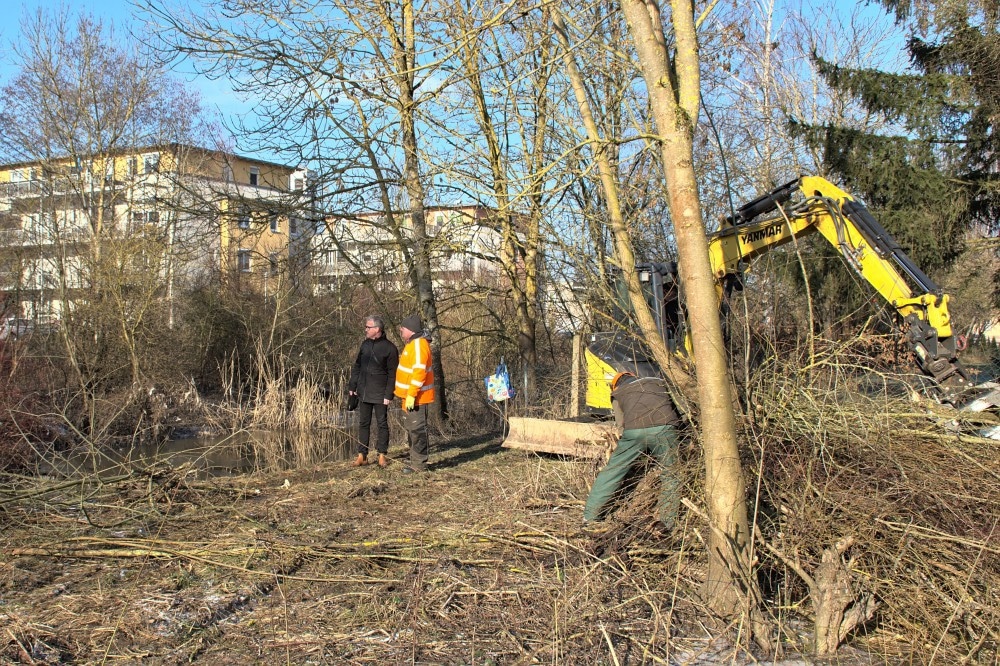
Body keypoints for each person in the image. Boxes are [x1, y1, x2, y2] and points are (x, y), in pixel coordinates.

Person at [583, 371, 682, 531]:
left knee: (612, 471)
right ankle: (667, 523)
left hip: (634, 430)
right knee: (671, 473)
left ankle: (589, 517)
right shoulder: (658, 381)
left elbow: (621, 424)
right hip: (665, 427)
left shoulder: (618, 392)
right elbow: (678, 408)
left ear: (616, 384)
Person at [348, 315, 399, 468]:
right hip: (363, 391)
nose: (365, 329)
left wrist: (388, 394)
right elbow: (357, 366)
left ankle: (382, 455)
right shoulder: (364, 345)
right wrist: (352, 386)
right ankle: (362, 456)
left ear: (377, 329)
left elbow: (392, 374)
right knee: (363, 423)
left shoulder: (390, 348)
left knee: (382, 424)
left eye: (368, 327)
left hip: (380, 393)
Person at [394, 313, 435, 473]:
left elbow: (419, 373)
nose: (401, 331)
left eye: (402, 329)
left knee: (417, 430)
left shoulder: (418, 346)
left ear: (410, 330)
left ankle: (419, 465)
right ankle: (415, 461)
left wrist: (411, 394)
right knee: (412, 430)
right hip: (410, 397)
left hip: (417, 398)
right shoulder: (413, 344)